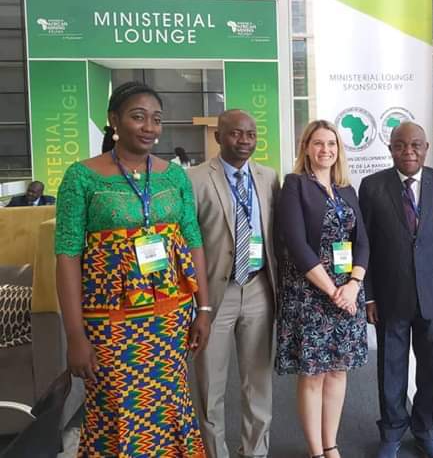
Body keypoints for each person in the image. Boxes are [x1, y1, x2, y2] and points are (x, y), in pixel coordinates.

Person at [54, 81, 211, 457]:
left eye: (156, 119)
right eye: (138, 117)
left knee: (171, 402)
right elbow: (67, 255)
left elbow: (193, 242)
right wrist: (74, 334)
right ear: (114, 121)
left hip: (169, 317)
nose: (149, 127)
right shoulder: (82, 177)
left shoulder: (174, 176)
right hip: (109, 321)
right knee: (115, 406)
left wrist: (203, 308)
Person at [358, 122, 433, 458]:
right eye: (401, 145)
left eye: (416, 145)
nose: (409, 152)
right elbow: (364, 245)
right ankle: (391, 432)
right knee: (391, 367)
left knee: (432, 367)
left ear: (426, 148)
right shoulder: (372, 186)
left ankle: (425, 429)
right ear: (390, 148)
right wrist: (369, 294)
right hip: (390, 295)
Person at [275, 119, 369, 458]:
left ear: (338, 150)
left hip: (347, 292)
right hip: (311, 295)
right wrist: (334, 292)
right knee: (313, 375)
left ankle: (331, 445)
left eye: (331, 144)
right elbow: (297, 246)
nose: (325, 150)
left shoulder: (347, 189)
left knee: (338, 371)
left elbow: (363, 243)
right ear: (306, 148)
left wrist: (355, 284)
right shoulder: (295, 185)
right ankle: (315, 451)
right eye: (318, 143)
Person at [189, 110, 280, 458]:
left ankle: (255, 451)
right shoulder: (196, 179)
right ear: (218, 136)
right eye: (236, 134)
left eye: (251, 135)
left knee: (258, 381)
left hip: (259, 287)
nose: (244, 141)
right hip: (214, 296)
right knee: (210, 384)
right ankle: (216, 453)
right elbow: (188, 240)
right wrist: (200, 302)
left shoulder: (269, 177)